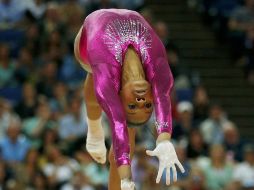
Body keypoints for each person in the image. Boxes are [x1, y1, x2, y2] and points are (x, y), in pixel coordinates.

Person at [74, 9, 184, 190]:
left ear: (119, 99)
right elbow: (163, 98)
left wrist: (125, 179)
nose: (141, 101)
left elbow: (119, 128)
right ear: (152, 96)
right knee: (96, 77)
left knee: (98, 82)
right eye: (148, 105)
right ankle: (95, 132)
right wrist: (164, 139)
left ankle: (95, 133)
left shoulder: (106, 73)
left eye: (133, 105)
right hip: (102, 32)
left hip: (91, 45)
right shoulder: (157, 67)